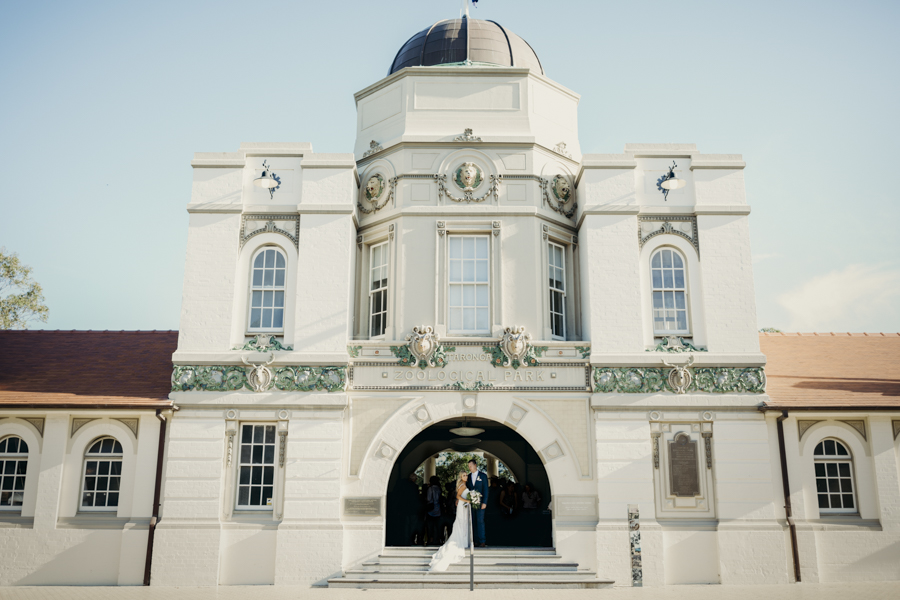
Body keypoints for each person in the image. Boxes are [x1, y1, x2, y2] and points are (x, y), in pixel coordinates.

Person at [429, 472, 472, 571]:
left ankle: (465, 541)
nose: (466, 477)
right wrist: (467, 501)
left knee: (464, 524)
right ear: (461, 477)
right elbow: (458, 496)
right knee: (461, 523)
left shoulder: (465, 485)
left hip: (463, 506)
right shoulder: (462, 485)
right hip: (462, 506)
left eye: (466, 475)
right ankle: (461, 541)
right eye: (464, 475)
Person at [465, 459, 489, 547]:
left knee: (480, 521)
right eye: (468, 467)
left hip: (480, 502)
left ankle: (482, 540)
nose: (469, 468)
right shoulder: (468, 476)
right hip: (471, 503)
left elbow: (486, 489)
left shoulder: (483, 476)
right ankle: (474, 541)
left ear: (475, 465)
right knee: (473, 521)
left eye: (470, 466)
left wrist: (484, 502)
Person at [425, 476, 442, 545]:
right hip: (438, 509)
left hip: (431, 510)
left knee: (430, 526)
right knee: (437, 526)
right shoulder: (439, 489)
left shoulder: (430, 489)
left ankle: (431, 539)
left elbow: (429, 499)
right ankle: (437, 539)